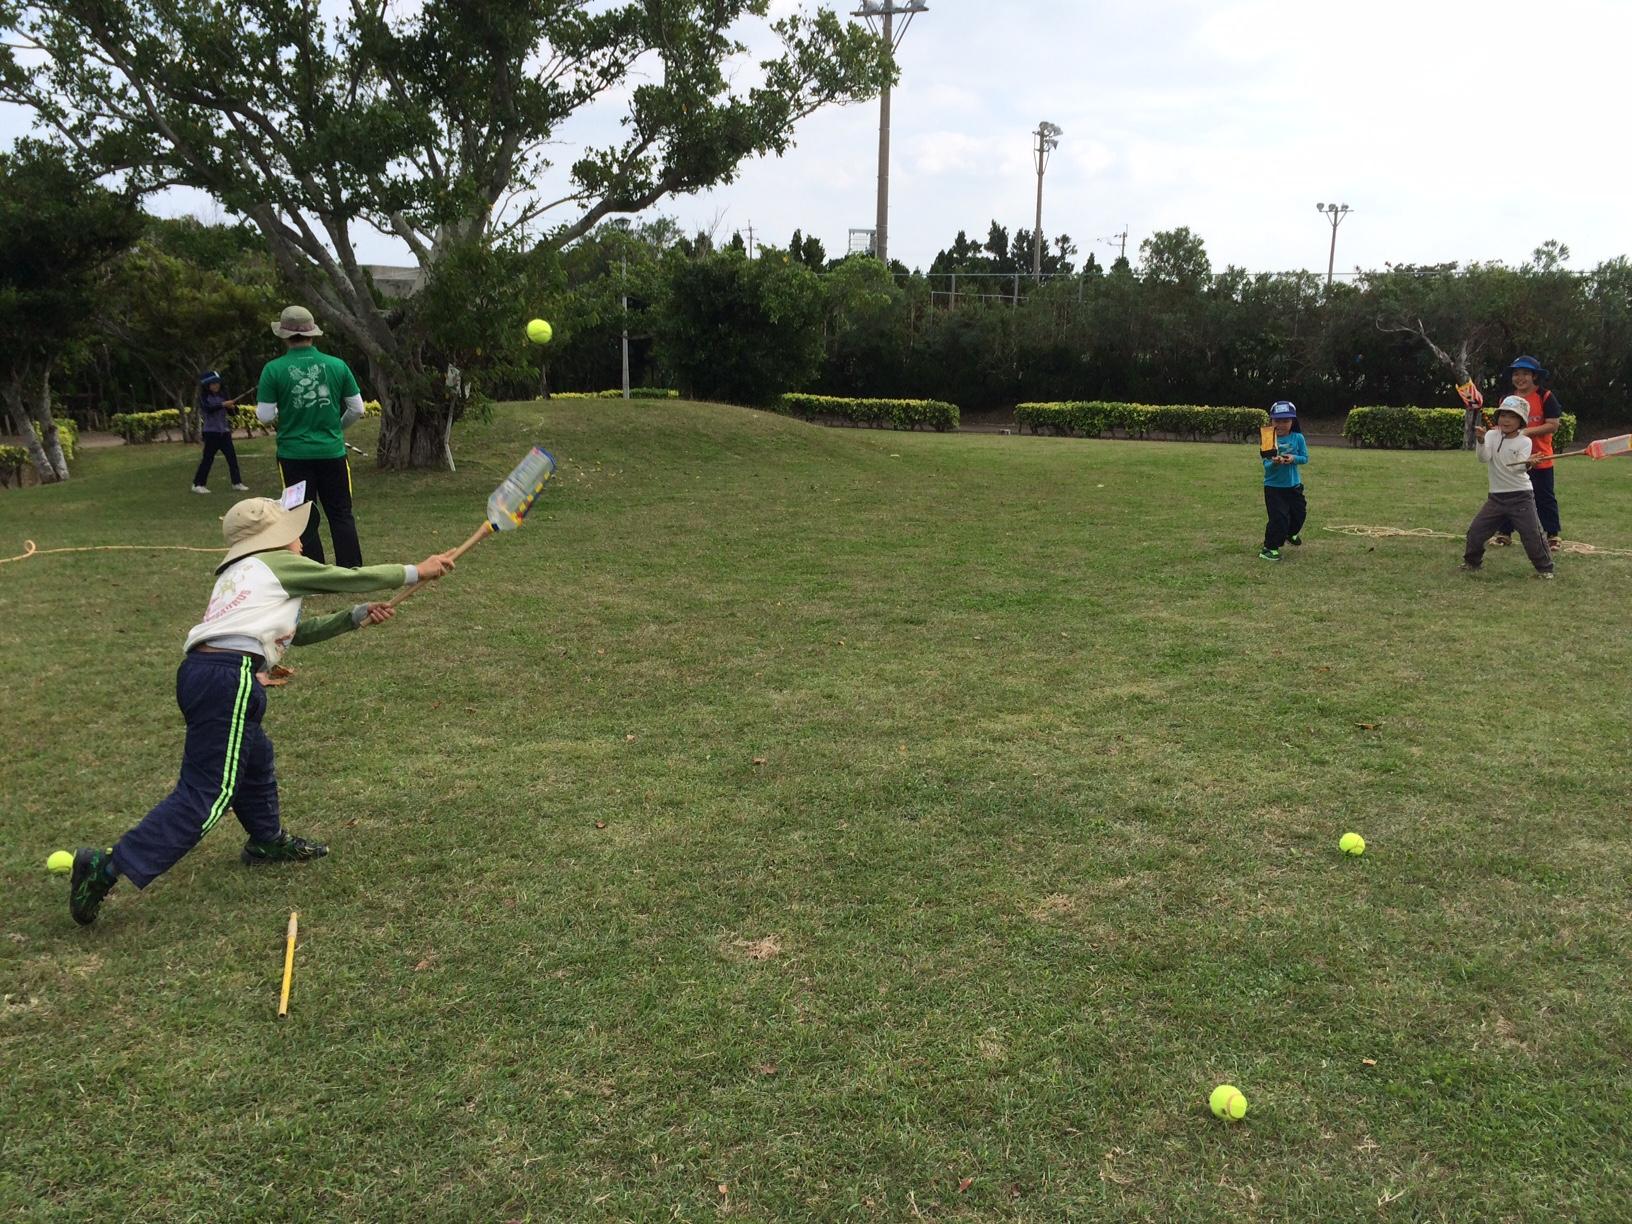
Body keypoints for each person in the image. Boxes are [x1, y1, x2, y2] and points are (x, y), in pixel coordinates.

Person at [66, 497, 456, 925]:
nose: (301, 541)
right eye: (294, 534)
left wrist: (354, 618)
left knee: (254, 759)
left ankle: (266, 840)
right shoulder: (275, 565)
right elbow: (345, 576)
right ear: (273, 540)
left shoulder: (241, 575)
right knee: (208, 795)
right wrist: (416, 571)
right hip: (229, 677)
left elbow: (294, 634)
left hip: (205, 673)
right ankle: (106, 868)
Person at [256, 305, 369, 566]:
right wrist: (336, 428)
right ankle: (351, 568)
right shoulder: (337, 365)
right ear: (313, 333)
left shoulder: (273, 369)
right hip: (332, 453)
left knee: (301, 514)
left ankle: (313, 569)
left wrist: (284, 419)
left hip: (293, 455)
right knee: (341, 513)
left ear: (283, 335)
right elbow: (357, 408)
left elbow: (264, 415)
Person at [1461, 396, 1554, 578]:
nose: (1506, 420)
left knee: (1532, 535)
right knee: (1476, 532)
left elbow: (1518, 468)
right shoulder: (1491, 435)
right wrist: (1480, 441)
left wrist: (1528, 463)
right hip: (1496, 497)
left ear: (1521, 421)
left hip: (1521, 496)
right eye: (1503, 415)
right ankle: (1472, 563)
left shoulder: (1524, 441)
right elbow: (1484, 458)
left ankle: (1545, 569)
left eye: (1512, 416)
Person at [1492, 355, 1563, 550]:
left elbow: (1553, 425)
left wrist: (1524, 432)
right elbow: (1501, 426)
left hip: (1541, 457)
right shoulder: (1507, 399)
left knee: (1544, 497)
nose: (1520, 378)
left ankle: (1552, 535)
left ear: (1534, 376)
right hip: (1512, 458)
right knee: (1508, 494)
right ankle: (1504, 533)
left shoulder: (1545, 396)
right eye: (1516, 374)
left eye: (1525, 373)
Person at [1259, 401, 1309, 562]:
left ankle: (1290, 533)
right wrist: (1274, 462)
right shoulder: (1268, 438)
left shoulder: (1298, 437)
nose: (1281, 424)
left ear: (1292, 421)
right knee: (1279, 518)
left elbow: (1304, 458)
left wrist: (1293, 458)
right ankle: (1269, 548)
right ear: (1271, 421)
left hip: (1293, 485)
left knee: (1299, 513)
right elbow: (1266, 465)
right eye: (1277, 421)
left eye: (1285, 421)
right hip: (1274, 488)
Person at [191, 370, 249, 494]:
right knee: (208, 459)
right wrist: (223, 404)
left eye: (217, 383)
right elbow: (208, 409)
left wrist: (233, 408)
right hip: (211, 433)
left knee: (232, 458)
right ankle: (198, 484)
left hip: (224, 432)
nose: (216, 385)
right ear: (207, 385)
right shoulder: (204, 398)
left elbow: (233, 413)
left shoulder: (223, 396)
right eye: (213, 384)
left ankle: (236, 482)